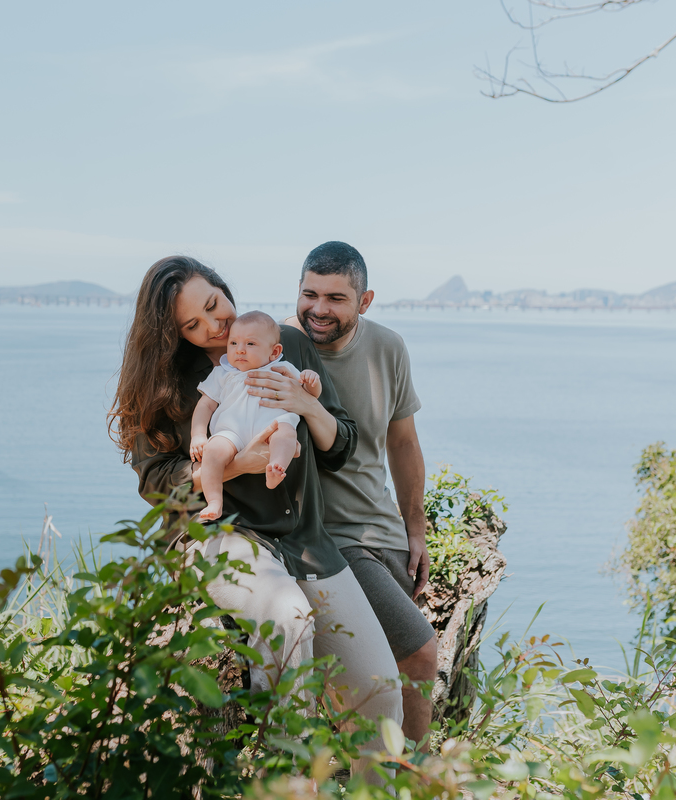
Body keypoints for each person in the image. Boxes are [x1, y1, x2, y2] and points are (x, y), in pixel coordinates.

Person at [109, 256, 403, 754]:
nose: (214, 326)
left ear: (224, 289)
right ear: (172, 334)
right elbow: (157, 482)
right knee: (287, 619)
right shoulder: (163, 386)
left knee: (380, 692)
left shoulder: (288, 348)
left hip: (305, 541)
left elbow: (341, 445)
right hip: (218, 534)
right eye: (192, 325)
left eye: (213, 305)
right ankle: (287, 775)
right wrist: (240, 464)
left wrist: (305, 404)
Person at [274, 241, 439, 745]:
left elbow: (403, 442)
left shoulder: (387, 347)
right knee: (420, 652)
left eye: (336, 298)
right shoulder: (277, 348)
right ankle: (415, 775)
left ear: (364, 302)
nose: (318, 309)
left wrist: (416, 530)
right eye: (309, 294)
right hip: (328, 537)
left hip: (381, 531)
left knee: (380, 669)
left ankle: (378, 767)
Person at [191, 310, 323, 520]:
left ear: (273, 351)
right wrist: (198, 435)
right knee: (212, 454)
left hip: (272, 424)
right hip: (231, 432)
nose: (240, 350)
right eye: (233, 343)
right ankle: (214, 501)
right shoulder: (223, 373)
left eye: (250, 344)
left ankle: (276, 468)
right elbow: (205, 406)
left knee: (286, 433)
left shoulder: (282, 369)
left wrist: (311, 381)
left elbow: (310, 396)